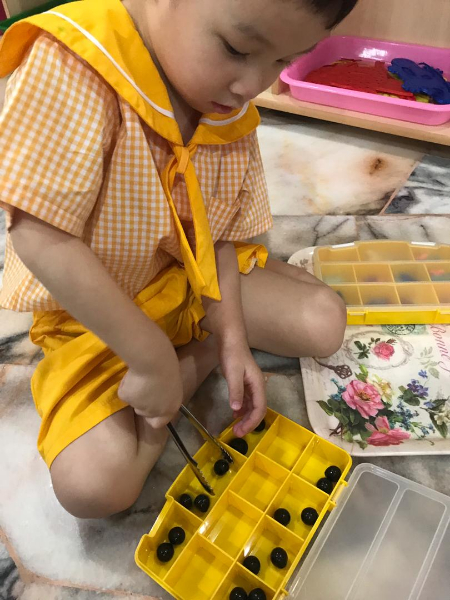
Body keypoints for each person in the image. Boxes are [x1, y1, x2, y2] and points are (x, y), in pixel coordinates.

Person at [0, 0, 357, 518]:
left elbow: (220, 236)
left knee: (325, 324)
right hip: (95, 317)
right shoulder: (74, 60)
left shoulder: (225, 103)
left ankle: (200, 348)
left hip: (188, 283)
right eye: (236, 48)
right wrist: (150, 358)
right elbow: (40, 235)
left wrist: (231, 340)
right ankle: (178, 362)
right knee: (93, 488)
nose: (252, 85)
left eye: (284, 61)